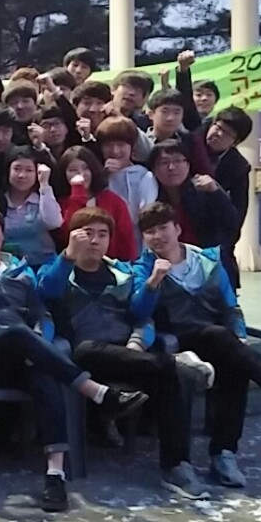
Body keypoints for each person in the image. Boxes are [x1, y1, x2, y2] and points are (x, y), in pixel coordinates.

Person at [0, 203, 149, 511]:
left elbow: (40, 314)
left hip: (21, 354)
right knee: (18, 333)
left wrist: (41, 343)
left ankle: (55, 476)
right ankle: (97, 392)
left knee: (45, 376)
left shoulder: (21, 270)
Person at [38, 208, 214, 500]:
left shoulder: (122, 273)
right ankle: (175, 362)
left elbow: (142, 316)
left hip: (128, 354)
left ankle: (176, 467)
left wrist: (150, 292)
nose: (95, 241)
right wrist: (68, 255)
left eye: (102, 234)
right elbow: (47, 291)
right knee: (89, 350)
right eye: (88, 234)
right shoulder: (56, 269)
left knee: (172, 376)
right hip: (83, 357)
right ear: (73, 236)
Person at [132, 203, 261, 487]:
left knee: (234, 363)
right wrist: (154, 281)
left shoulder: (207, 261)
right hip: (175, 341)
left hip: (216, 341)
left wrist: (239, 336)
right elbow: (138, 312)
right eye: (149, 232)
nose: (157, 236)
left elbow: (231, 307)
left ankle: (224, 455)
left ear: (177, 229)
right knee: (222, 339)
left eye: (162, 228)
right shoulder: (142, 267)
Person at [149, 140, 238, 285]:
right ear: (153, 169)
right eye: (164, 163)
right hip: (166, 272)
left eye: (178, 161)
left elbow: (232, 225)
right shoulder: (151, 196)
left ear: (188, 165)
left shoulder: (205, 189)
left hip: (208, 269)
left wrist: (216, 193)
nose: (171, 167)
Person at [202, 107, 254, 290]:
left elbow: (237, 215)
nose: (217, 134)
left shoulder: (238, 167)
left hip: (213, 235)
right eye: (217, 127)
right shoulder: (192, 141)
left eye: (226, 133)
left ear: (235, 142)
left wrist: (216, 191)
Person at [58, 146, 137, 261]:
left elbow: (126, 238)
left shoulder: (113, 200)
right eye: (73, 170)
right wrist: (77, 195)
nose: (81, 174)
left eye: (86, 168)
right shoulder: (60, 204)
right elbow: (65, 234)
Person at [96, 116, 157, 247]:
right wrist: (103, 178)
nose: (115, 151)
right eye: (108, 145)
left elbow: (147, 216)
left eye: (121, 144)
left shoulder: (144, 176)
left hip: (135, 243)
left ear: (132, 147)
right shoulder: (96, 176)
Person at [2, 150, 61, 267]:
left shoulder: (42, 199)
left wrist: (44, 184)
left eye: (29, 170)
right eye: (17, 169)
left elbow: (54, 223)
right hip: (10, 266)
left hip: (44, 263)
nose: (22, 175)